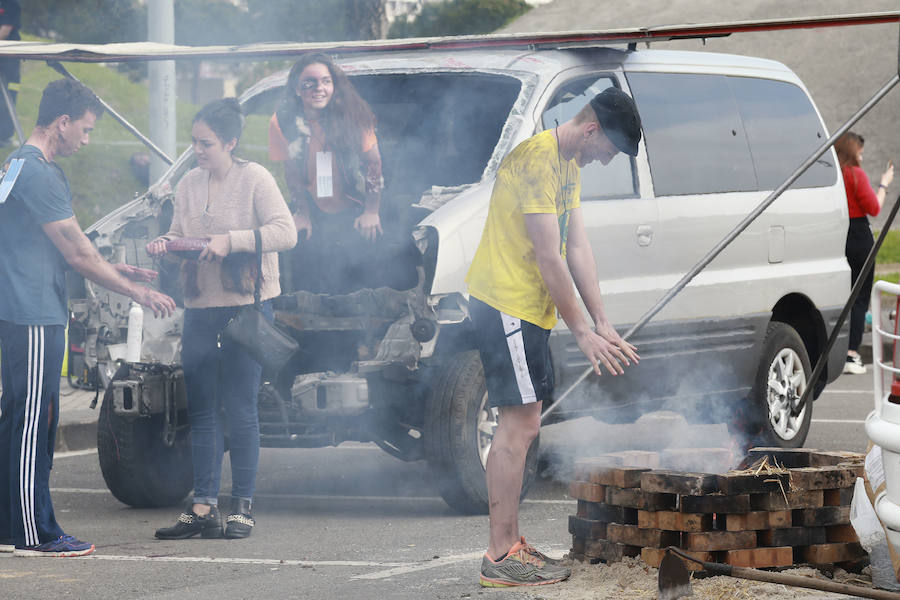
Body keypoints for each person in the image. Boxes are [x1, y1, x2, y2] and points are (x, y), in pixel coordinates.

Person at [466, 87, 642, 587]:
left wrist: (602, 321)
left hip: (527, 308)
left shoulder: (569, 165)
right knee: (518, 425)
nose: (606, 160)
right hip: (506, 303)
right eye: (609, 150)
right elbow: (549, 255)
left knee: (526, 422)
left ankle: (511, 544)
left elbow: (577, 245)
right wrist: (581, 331)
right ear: (592, 130)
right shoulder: (538, 161)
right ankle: (500, 554)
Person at [0, 78, 176, 557]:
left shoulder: (19, 163)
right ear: (62, 123)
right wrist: (134, 288)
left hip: (22, 308)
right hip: (33, 311)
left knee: (19, 417)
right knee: (34, 420)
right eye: (85, 128)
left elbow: (50, 246)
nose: (86, 138)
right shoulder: (39, 172)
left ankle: (11, 527)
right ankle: (34, 533)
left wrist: (114, 267)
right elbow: (77, 251)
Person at [148, 98, 296, 540]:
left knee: (241, 407)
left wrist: (230, 242)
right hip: (199, 309)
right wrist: (166, 243)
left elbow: (285, 232)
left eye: (206, 143)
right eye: (194, 142)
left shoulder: (256, 178)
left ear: (231, 142)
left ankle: (242, 506)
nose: (198, 150)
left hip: (245, 311)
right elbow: (180, 234)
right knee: (202, 410)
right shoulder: (189, 183)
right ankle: (202, 506)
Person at [268, 52, 384, 294]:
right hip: (314, 210)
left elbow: (373, 164)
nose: (318, 88)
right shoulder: (282, 122)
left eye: (325, 81)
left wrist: (371, 211)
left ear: (335, 86)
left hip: (354, 208)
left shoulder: (355, 116)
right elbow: (290, 170)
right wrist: (301, 211)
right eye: (309, 83)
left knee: (358, 283)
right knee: (313, 283)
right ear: (297, 89)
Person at [834, 132, 894, 375]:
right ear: (852, 151)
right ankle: (851, 354)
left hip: (839, 234)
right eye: (859, 150)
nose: (862, 154)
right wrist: (884, 184)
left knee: (844, 295)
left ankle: (838, 350)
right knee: (859, 298)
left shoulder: (836, 176)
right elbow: (874, 207)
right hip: (859, 235)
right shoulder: (856, 175)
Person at [0, 0, 20, 145]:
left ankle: (4, 136)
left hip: (9, 58)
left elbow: (5, 30)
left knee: (8, 94)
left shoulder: (11, 3)